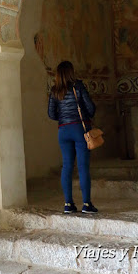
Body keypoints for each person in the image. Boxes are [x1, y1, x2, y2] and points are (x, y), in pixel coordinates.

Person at [48, 60, 98, 214]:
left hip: (63, 131)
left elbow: (51, 114)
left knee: (67, 166)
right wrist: (85, 116)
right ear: (71, 72)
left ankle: (68, 204)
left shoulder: (55, 90)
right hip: (79, 129)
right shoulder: (78, 86)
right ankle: (87, 204)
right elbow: (90, 107)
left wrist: (63, 119)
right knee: (83, 167)